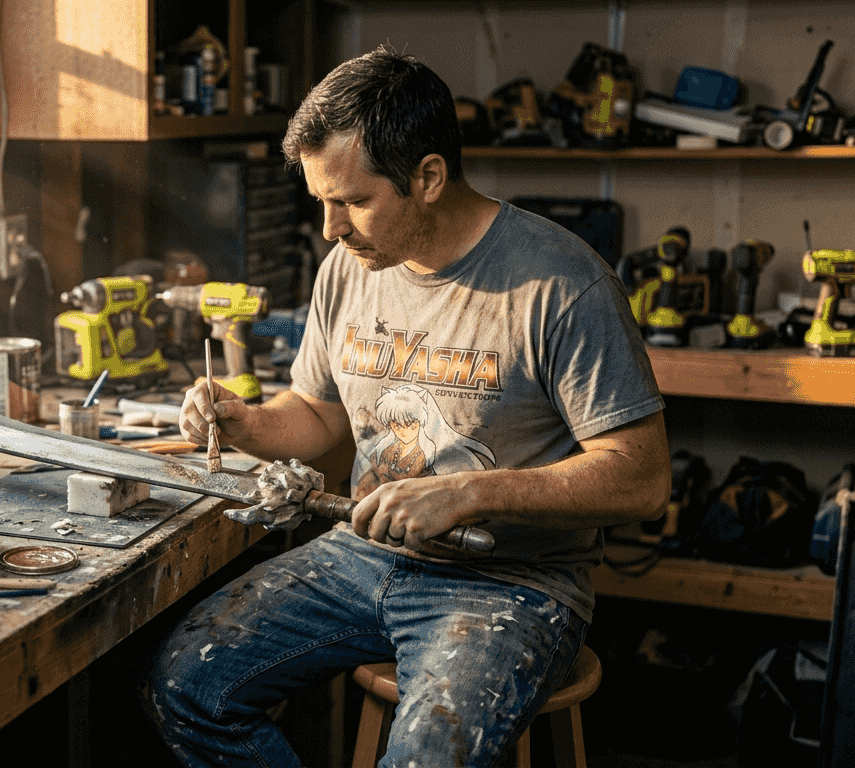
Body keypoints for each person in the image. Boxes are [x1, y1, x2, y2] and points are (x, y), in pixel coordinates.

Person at [142, 46, 671, 767]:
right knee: (189, 685)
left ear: (428, 177)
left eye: (354, 201)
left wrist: (467, 494)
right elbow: (321, 415)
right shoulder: (348, 269)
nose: (332, 227)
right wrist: (246, 422)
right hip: (363, 557)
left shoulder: (561, 283)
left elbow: (640, 478)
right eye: (321, 200)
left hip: (511, 584)